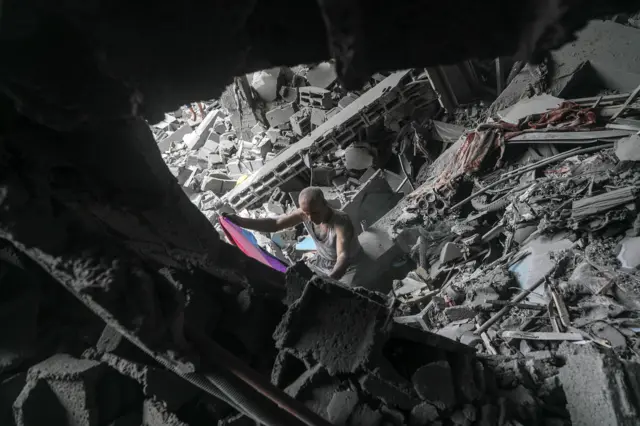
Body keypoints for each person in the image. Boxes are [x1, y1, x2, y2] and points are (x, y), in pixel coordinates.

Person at [223, 187, 362, 285]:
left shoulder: (341, 222)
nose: (310, 218)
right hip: (323, 261)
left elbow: (342, 256)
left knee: (342, 296)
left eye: (315, 213)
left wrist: (328, 281)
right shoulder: (305, 214)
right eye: (306, 213)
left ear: (325, 203)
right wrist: (240, 221)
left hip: (348, 266)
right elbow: (276, 224)